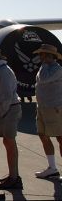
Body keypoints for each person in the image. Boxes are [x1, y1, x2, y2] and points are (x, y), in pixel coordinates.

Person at [0, 47, 23, 190]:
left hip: (9, 109)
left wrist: (1, 113)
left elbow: (6, 97)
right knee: (8, 142)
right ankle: (12, 175)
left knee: (9, 142)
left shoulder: (4, 72)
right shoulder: (0, 70)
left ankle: (14, 178)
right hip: (7, 109)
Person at [32, 44, 62, 179]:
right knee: (42, 134)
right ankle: (52, 168)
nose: (39, 57)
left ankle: (53, 168)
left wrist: (44, 64)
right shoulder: (44, 68)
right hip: (43, 107)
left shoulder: (56, 69)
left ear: (49, 56)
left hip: (54, 108)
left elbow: (44, 80)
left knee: (60, 137)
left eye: (42, 54)